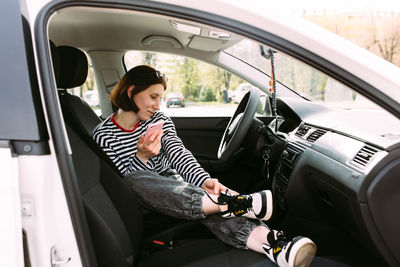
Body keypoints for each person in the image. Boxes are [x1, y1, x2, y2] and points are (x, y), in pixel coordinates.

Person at [92, 65, 316, 267]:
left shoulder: (158, 120)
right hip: (142, 197)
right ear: (131, 92)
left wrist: (205, 181)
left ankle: (276, 246)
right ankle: (228, 204)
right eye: (153, 97)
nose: (157, 105)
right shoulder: (103, 136)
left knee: (209, 202)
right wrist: (141, 157)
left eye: (160, 98)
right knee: (133, 180)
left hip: (178, 191)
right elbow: (121, 186)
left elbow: (180, 156)